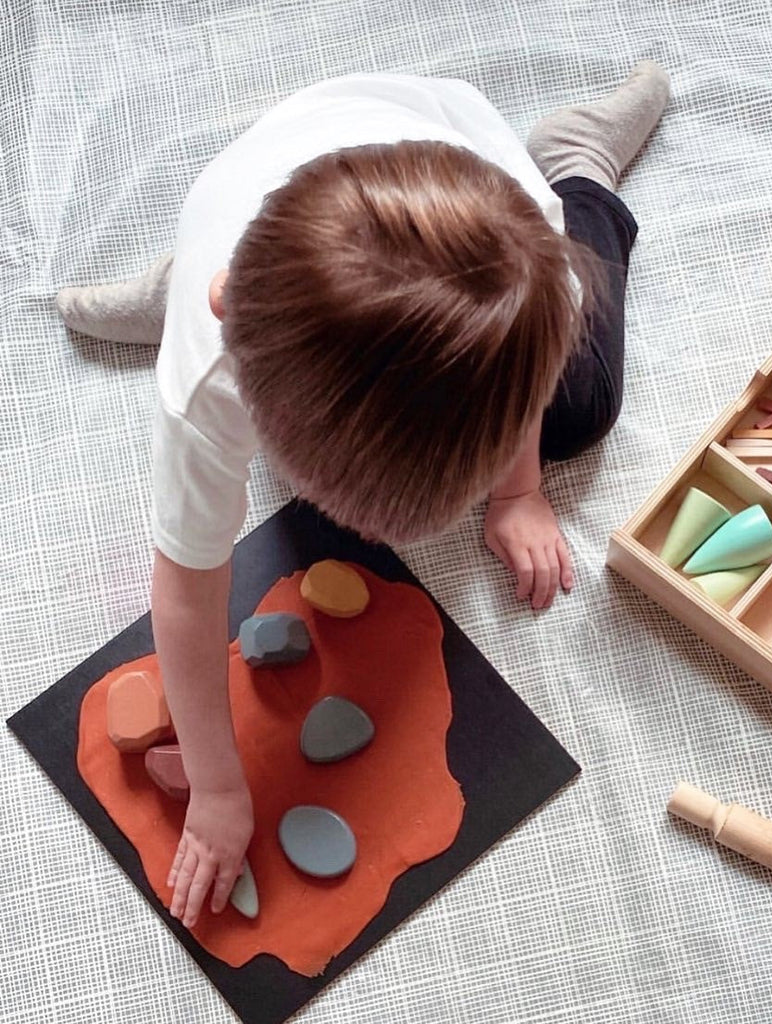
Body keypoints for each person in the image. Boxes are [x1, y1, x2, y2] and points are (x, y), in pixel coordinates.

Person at [55, 62, 669, 927]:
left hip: (465, 163)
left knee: (582, 406)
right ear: (233, 314)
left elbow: (519, 392)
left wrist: (516, 493)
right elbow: (187, 591)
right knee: (213, 334)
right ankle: (180, 283)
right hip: (251, 201)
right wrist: (220, 785)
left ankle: (581, 168)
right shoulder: (207, 387)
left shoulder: (538, 274)